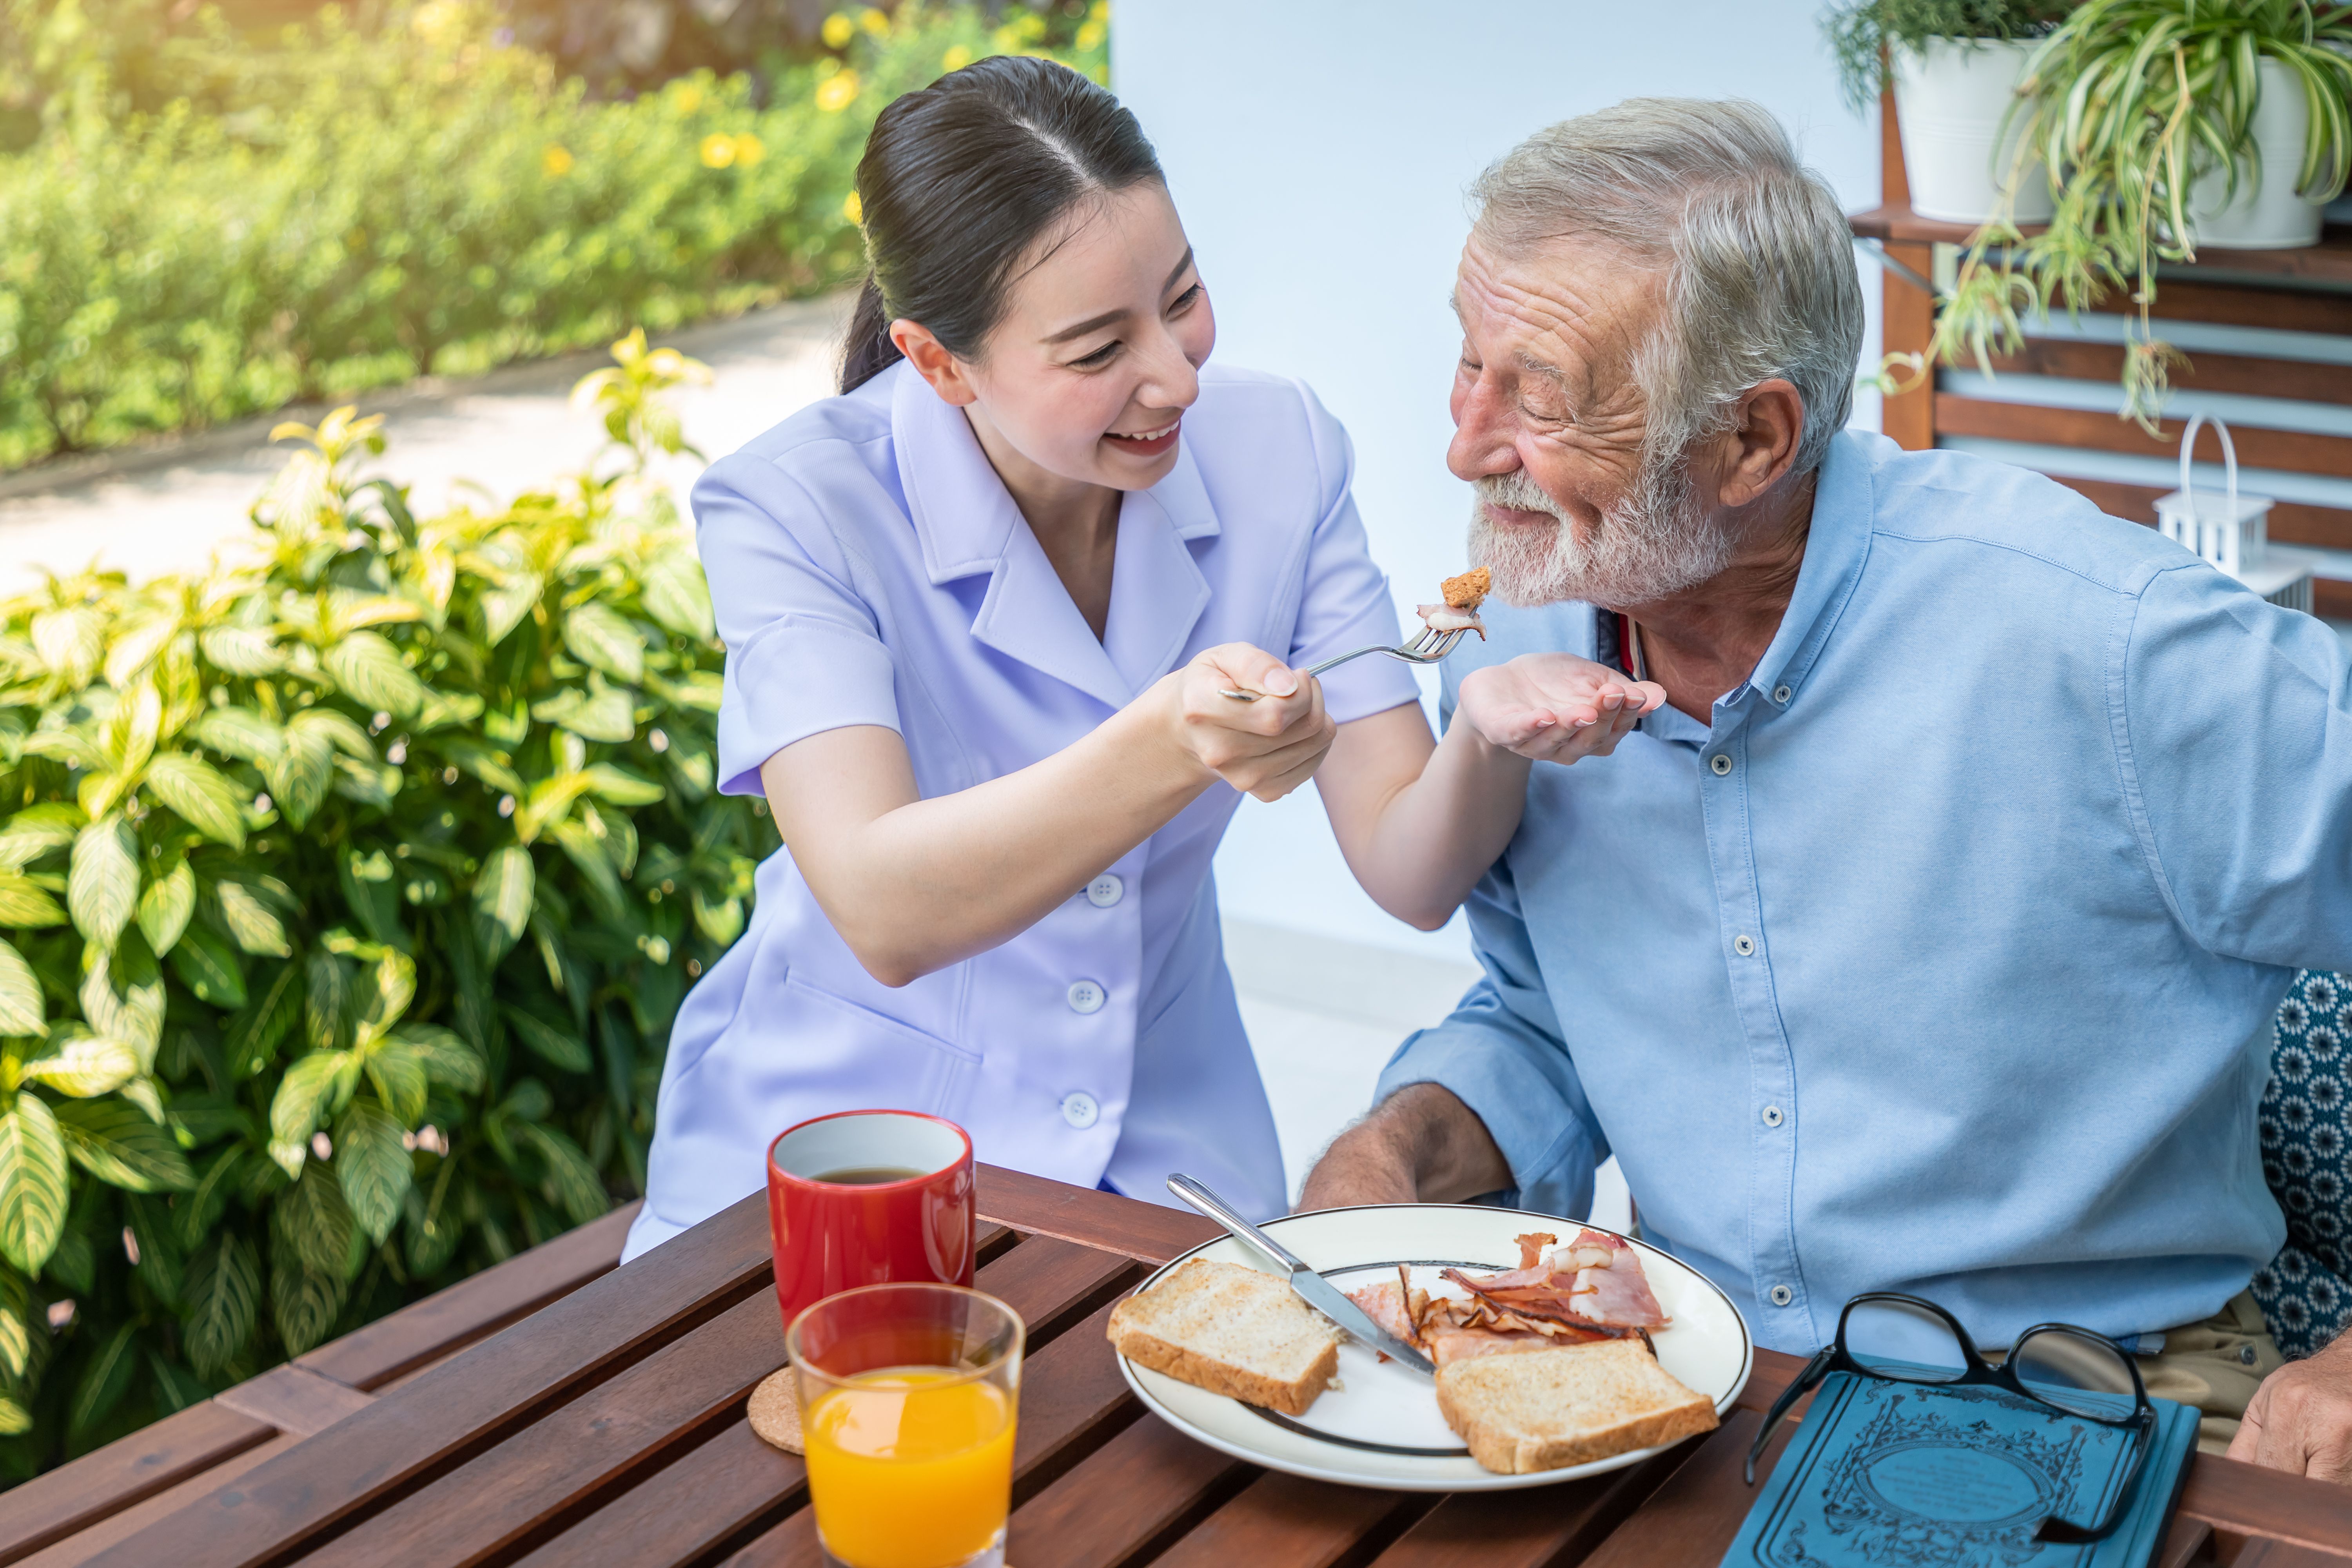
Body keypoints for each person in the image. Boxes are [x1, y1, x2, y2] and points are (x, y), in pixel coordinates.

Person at [1301, 98, 2352, 1480]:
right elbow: (1552, 1015)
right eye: (1467, 363)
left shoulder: (2105, 641)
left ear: (1753, 441)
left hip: (2112, 1395)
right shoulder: (1522, 629)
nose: (1467, 445)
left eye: (1541, 395)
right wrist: (1393, 1158)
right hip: (1702, 1386)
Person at [621, 57, 1661, 1261]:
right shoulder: (794, 506)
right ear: (939, 362)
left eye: (1183, 299)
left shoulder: (1281, 450)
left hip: (1166, 1160)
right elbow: (882, 910)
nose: (1174, 377)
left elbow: (1408, 868)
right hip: (846, 1150)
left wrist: (1484, 734)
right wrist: (1170, 740)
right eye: (1096, 348)